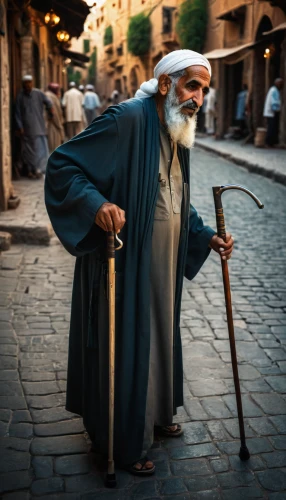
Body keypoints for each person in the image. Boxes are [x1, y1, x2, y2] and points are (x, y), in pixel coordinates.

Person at [45, 50, 234, 476]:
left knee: (159, 333)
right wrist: (96, 205)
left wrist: (205, 235)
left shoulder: (178, 126)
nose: (198, 98)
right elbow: (63, 165)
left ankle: (156, 411)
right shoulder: (126, 118)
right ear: (166, 84)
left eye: (204, 89)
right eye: (192, 86)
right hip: (126, 260)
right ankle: (124, 439)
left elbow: (177, 197)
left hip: (163, 261)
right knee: (130, 338)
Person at [15, 75, 53, 178]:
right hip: (26, 130)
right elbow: (17, 113)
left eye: (29, 82)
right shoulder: (20, 97)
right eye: (26, 83)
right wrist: (20, 126)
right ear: (23, 84)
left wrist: (50, 113)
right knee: (27, 152)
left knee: (39, 150)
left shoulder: (39, 93)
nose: (28, 85)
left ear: (32, 83)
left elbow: (49, 103)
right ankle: (30, 170)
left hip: (38, 127)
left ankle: (38, 169)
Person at [263, 77, 284, 147]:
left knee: (272, 127)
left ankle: (271, 142)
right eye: (281, 84)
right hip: (272, 112)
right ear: (277, 84)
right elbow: (274, 102)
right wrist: (277, 110)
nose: (282, 86)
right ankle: (269, 143)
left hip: (270, 112)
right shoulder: (274, 91)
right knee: (271, 128)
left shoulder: (273, 90)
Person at [45, 83, 65, 152]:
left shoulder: (48, 95)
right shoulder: (52, 97)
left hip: (50, 124)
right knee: (54, 146)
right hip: (53, 125)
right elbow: (55, 114)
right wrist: (60, 126)